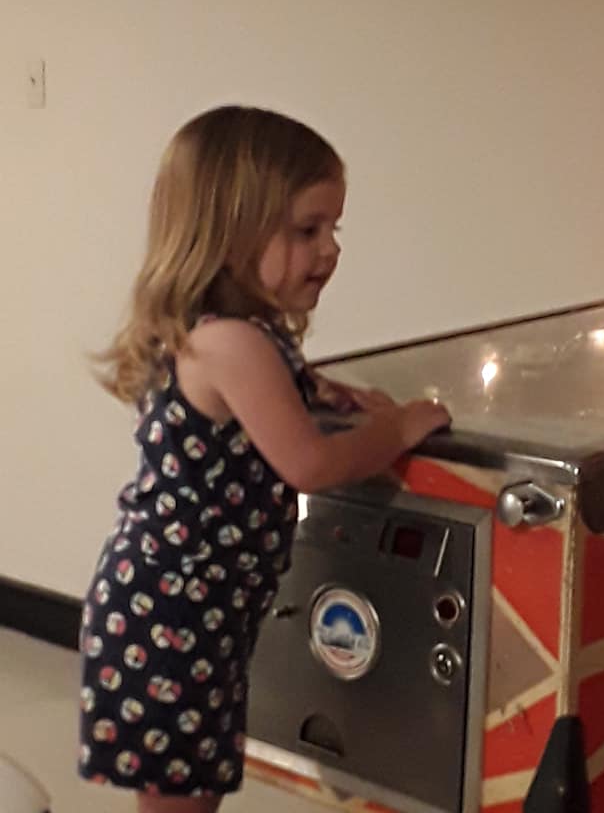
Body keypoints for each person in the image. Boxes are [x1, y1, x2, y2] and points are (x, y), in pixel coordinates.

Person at [77, 105, 450, 813]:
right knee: (182, 794)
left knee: (195, 783)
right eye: (307, 230)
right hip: (174, 614)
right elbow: (309, 465)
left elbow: (268, 403)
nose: (330, 250)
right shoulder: (233, 344)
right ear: (231, 235)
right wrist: (397, 427)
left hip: (191, 605)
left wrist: (326, 392)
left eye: (334, 229)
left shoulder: (233, 333)